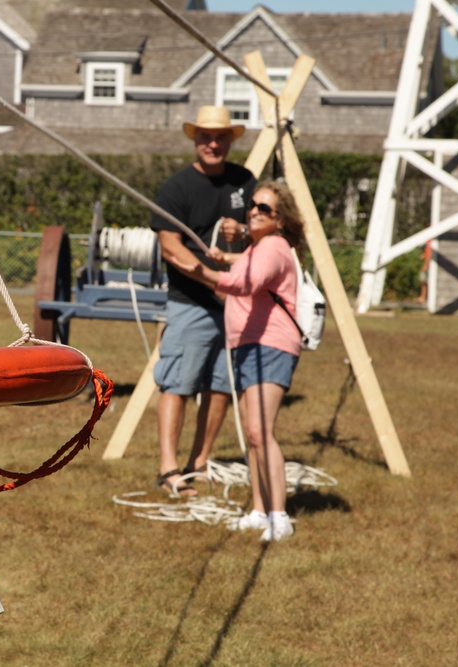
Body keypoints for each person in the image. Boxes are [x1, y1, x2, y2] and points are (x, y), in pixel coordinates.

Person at [166, 180, 305, 541]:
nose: (255, 211)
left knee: (261, 432)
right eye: (254, 205)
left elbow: (246, 284)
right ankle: (260, 511)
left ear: (280, 220)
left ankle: (279, 516)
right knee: (254, 435)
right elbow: (243, 271)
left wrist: (199, 272)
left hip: (269, 346)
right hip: (250, 346)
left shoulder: (273, 246)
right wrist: (224, 261)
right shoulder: (259, 247)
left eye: (266, 209)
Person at [150, 106, 256, 497]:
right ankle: (168, 469)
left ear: (230, 140)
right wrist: (214, 281)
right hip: (191, 303)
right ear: (195, 140)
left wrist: (243, 228)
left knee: (220, 386)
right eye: (206, 137)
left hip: (235, 308)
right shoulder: (176, 188)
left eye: (221, 137)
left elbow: (268, 230)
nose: (213, 144)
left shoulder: (245, 183)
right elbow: (169, 246)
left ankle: (198, 463)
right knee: (178, 384)